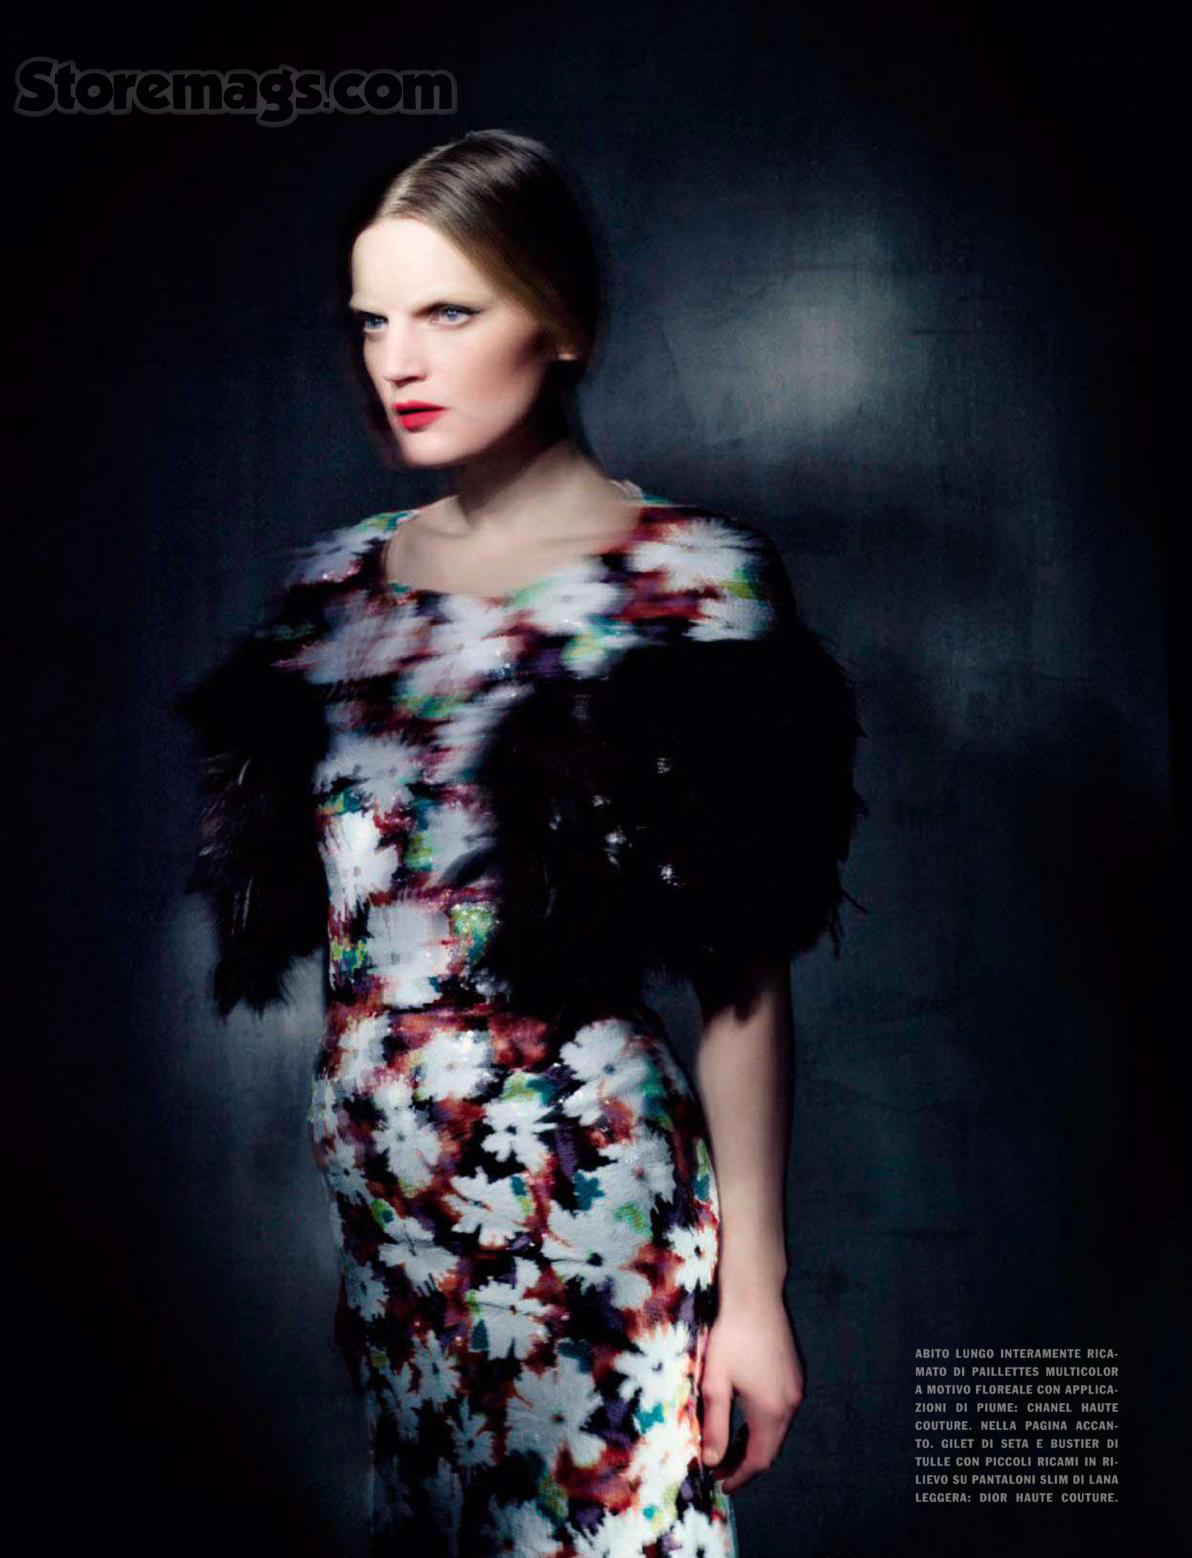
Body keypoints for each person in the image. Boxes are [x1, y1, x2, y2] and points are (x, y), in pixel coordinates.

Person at [177, 128, 866, 1558]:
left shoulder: (688, 583)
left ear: (559, 321)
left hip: (585, 1197)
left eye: (447, 312)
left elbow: (744, 971)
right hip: (385, 1219)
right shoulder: (330, 592)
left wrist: (756, 1292)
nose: (398, 360)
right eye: (373, 320)